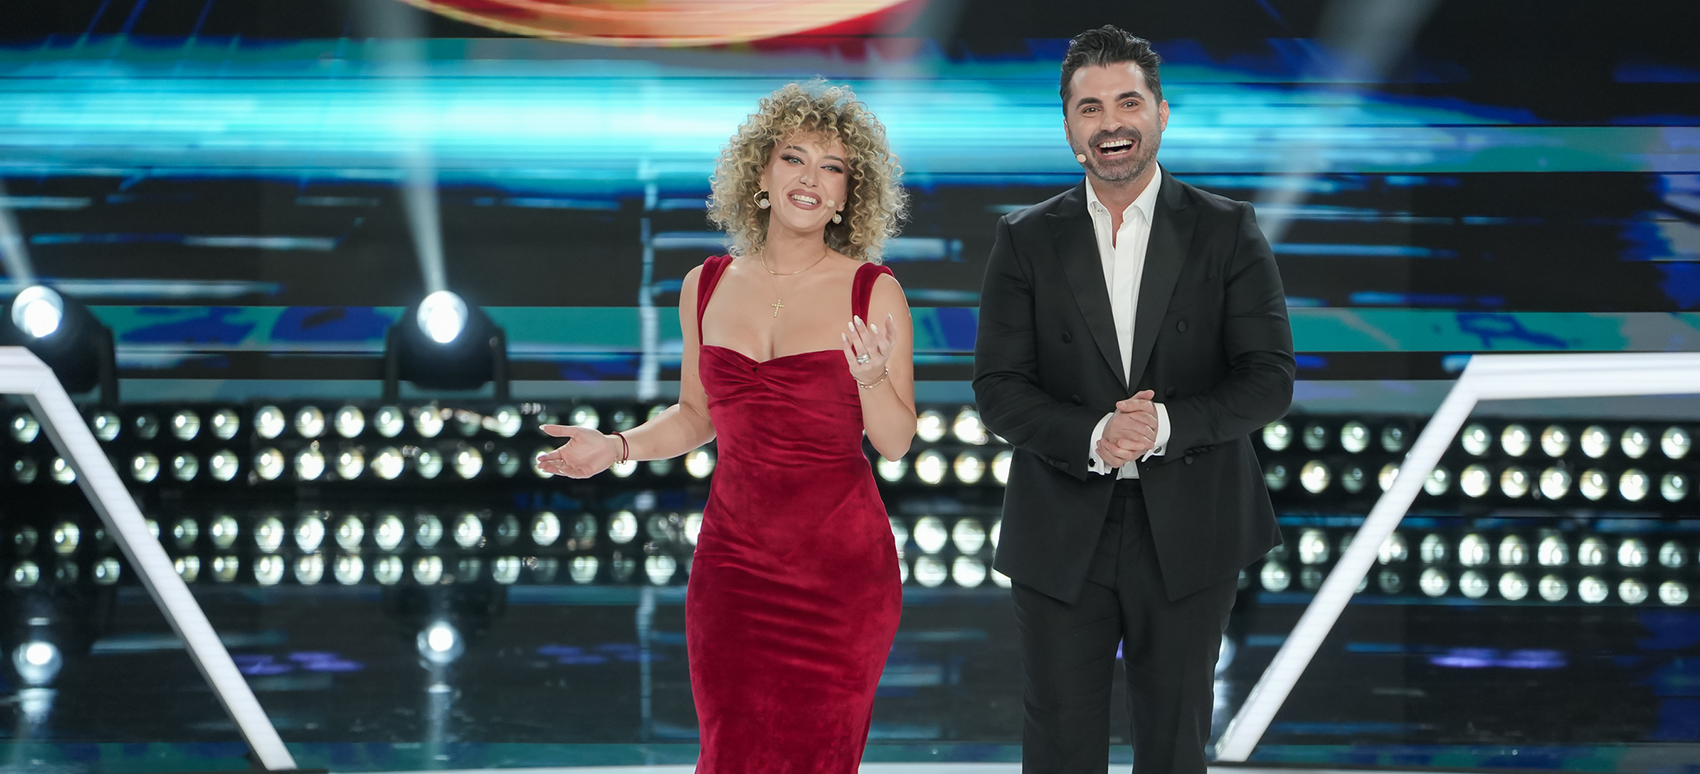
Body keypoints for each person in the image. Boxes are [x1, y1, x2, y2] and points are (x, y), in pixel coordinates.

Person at [535, 81, 914, 773]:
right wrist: (616, 447)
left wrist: (868, 378)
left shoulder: (874, 290)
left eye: (831, 167)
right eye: (794, 158)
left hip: (839, 575)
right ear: (761, 174)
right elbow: (695, 416)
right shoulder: (704, 285)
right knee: (730, 754)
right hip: (733, 571)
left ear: (847, 195)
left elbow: (895, 442)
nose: (810, 179)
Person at [972, 26, 1295, 773]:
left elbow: (1269, 377)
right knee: (1058, 744)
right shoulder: (1025, 239)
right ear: (1068, 126)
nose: (1110, 123)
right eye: (1089, 108)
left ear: (1160, 113)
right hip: (1061, 525)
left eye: (1127, 102)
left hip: (1191, 522)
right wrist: (1095, 434)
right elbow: (998, 388)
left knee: (1175, 742)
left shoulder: (1226, 230)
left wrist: (1163, 426)